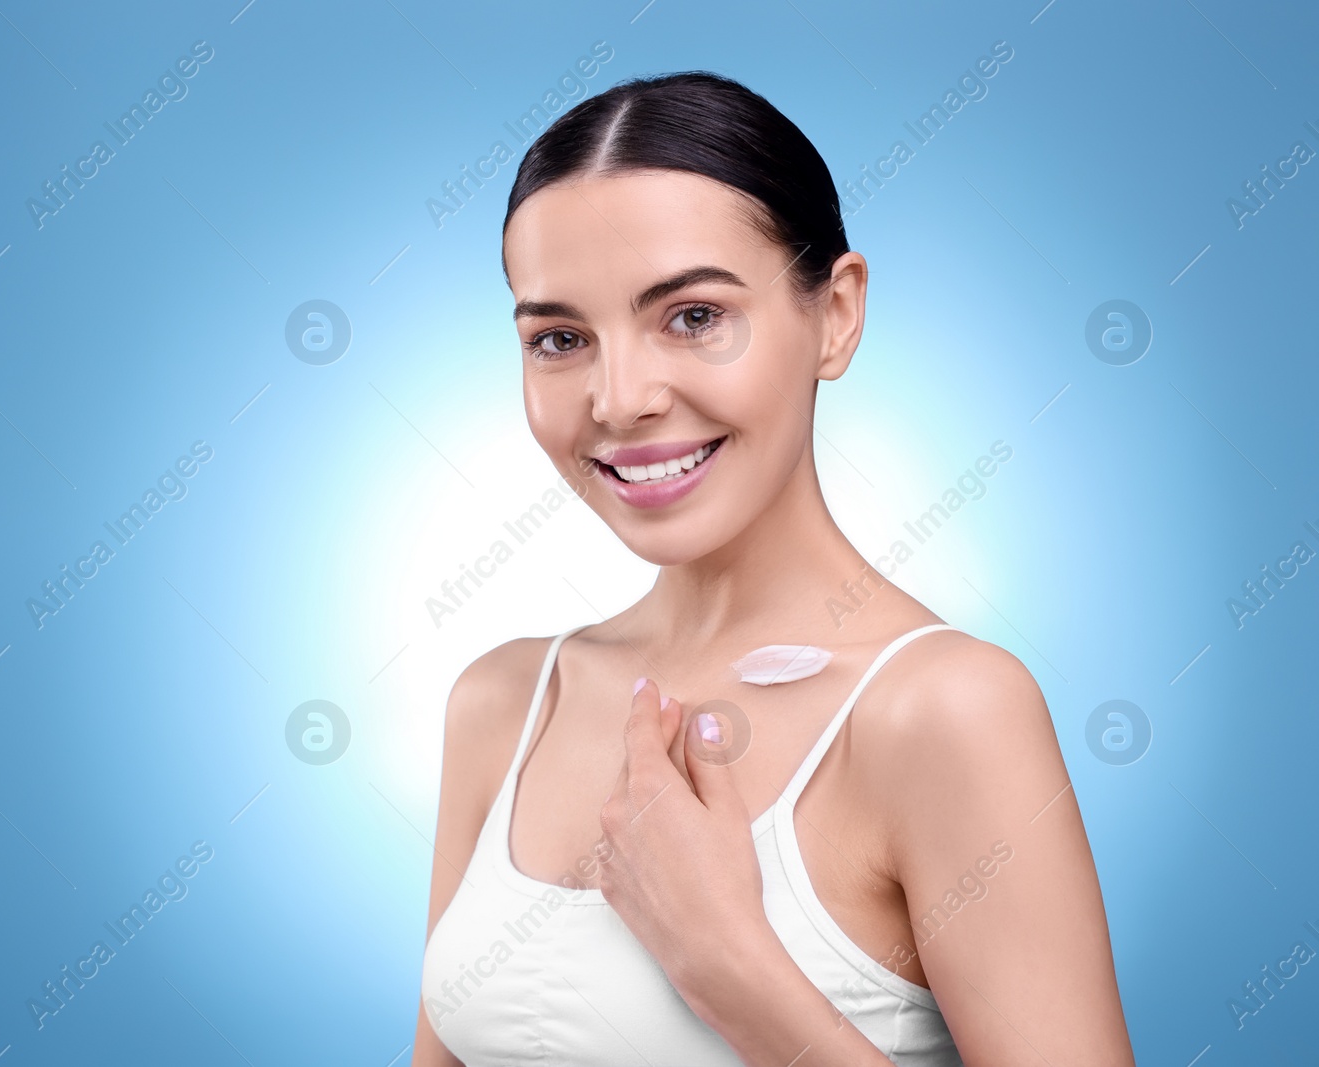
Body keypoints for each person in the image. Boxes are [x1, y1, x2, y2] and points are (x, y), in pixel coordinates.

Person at [413, 71, 1135, 1066]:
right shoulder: (502, 703)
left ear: (833, 315)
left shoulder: (944, 711)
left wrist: (724, 961)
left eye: (694, 315)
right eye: (561, 338)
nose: (617, 399)